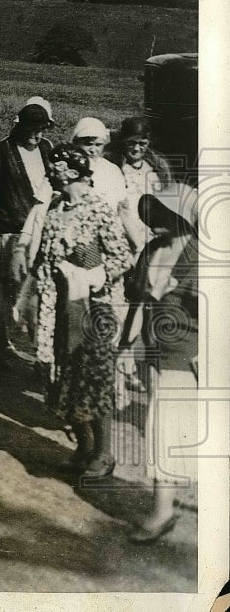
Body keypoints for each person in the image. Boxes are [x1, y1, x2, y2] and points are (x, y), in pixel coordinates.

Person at [31, 144, 133, 478]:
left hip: (93, 310)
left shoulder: (99, 209)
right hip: (61, 308)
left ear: (73, 172)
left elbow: (122, 257)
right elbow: (44, 260)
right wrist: (31, 298)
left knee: (94, 380)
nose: (50, 170)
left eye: (55, 166)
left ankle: (104, 453)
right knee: (68, 377)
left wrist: (96, 275)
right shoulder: (57, 207)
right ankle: (84, 447)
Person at [124, 184, 199, 544]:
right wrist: (129, 347)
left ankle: (164, 510)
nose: (156, 220)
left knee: (175, 431)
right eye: (154, 211)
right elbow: (138, 302)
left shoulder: (202, 257)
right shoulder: (153, 250)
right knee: (162, 429)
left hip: (188, 356)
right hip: (154, 352)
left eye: (166, 213)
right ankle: (163, 509)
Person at [0, 102, 54, 358]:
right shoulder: (3, 150)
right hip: (11, 231)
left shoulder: (46, 149)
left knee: (37, 290)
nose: (37, 135)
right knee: (9, 290)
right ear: (21, 128)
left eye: (42, 129)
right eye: (33, 129)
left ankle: (20, 341)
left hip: (39, 232)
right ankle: (6, 337)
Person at [105, 116, 171, 254]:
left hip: (152, 232)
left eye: (142, 143)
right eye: (131, 143)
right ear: (123, 141)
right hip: (124, 231)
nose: (136, 149)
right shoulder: (114, 167)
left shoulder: (157, 168)